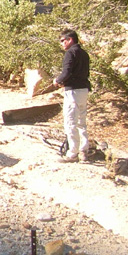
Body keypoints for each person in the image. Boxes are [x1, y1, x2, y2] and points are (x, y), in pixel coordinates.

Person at [55, 29, 91, 163]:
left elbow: (67, 72)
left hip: (73, 91)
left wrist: (57, 81)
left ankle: (72, 153)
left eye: (63, 40)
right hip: (83, 89)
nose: (62, 44)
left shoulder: (71, 53)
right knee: (82, 121)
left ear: (70, 40)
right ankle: (84, 149)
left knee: (70, 121)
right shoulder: (84, 53)